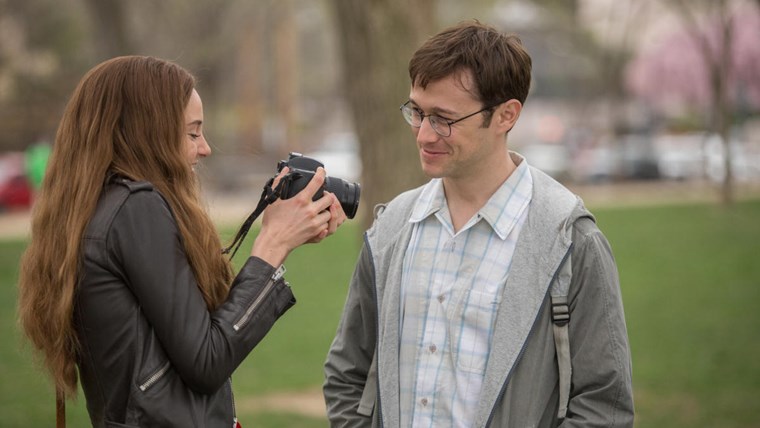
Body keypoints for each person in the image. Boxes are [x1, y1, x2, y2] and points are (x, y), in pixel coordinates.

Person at [323, 21, 634, 427]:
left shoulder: (571, 241)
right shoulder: (392, 228)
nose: (423, 135)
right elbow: (347, 374)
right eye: (417, 112)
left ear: (506, 115)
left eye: (443, 118)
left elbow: (604, 406)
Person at [17, 55, 346, 427]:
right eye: (192, 132)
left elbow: (191, 336)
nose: (205, 148)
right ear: (146, 132)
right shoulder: (136, 209)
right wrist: (272, 245)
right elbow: (207, 362)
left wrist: (280, 231)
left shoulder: (100, 207)